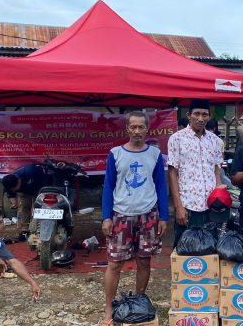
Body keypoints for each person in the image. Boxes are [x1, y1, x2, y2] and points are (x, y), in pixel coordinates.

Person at [101, 111, 169, 326]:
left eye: (141, 127)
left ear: (147, 129)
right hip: (121, 215)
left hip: (148, 214)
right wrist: (106, 217)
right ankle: (109, 307)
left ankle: (139, 301)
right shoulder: (115, 154)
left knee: (144, 261)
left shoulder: (155, 155)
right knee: (114, 264)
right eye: (134, 127)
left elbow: (161, 186)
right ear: (127, 129)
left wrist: (164, 216)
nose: (138, 131)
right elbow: (108, 186)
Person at [168, 98, 224, 247]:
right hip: (187, 206)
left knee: (210, 250)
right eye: (197, 114)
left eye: (204, 114)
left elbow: (216, 169)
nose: (200, 118)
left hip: (210, 206)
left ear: (209, 116)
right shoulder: (176, 139)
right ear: (189, 115)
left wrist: (219, 196)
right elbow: (172, 173)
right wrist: (178, 206)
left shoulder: (215, 141)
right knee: (184, 250)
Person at [2, 163, 47, 240]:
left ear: (19, 181)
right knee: (24, 207)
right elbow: (10, 193)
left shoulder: (31, 172)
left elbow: (46, 180)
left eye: (15, 189)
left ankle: (39, 230)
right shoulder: (9, 182)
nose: (14, 191)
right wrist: (14, 202)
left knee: (39, 209)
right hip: (25, 191)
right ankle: (25, 231)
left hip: (40, 188)